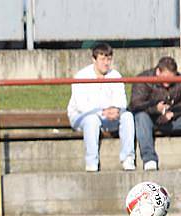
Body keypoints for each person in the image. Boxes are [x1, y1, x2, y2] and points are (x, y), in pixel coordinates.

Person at [67, 43, 135, 172]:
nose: (106, 63)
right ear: (94, 59)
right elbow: (82, 105)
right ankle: (91, 162)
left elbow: (121, 100)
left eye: (109, 59)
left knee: (127, 116)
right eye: (102, 59)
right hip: (82, 116)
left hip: (109, 116)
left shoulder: (115, 75)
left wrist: (116, 110)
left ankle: (128, 158)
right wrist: (102, 112)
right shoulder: (81, 76)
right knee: (92, 120)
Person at [129, 56, 181, 171]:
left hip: (171, 119)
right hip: (149, 120)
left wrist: (173, 113)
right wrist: (156, 109)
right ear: (158, 71)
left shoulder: (179, 80)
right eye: (165, 79)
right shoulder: (143, 80)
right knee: (141, 117)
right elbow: (135, 105)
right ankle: (149, 159)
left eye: (171, 80)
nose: (168, 83)